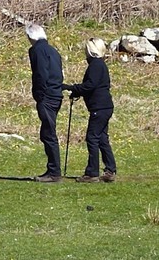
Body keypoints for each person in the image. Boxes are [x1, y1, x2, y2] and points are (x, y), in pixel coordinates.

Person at [68, 37, 117, 182]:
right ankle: (110, 169)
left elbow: (90, 85)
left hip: (99, 107)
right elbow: (92, 86)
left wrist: (72, 88)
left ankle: (92, 173)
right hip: (105, 106)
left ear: (90, 50)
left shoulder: (95, 65)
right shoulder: (100, 65)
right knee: (101, 138)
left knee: (92, 138)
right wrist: (77, 91)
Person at [27, 23, 65, 180]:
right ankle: (53, 169)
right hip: (56, 94)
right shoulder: (53, 51)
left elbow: (40, 74)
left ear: (30, 37)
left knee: (48, 133)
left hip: (47, 95)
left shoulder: (36, 50)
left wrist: (39, 94)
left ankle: (54, 171)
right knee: (48, 132)